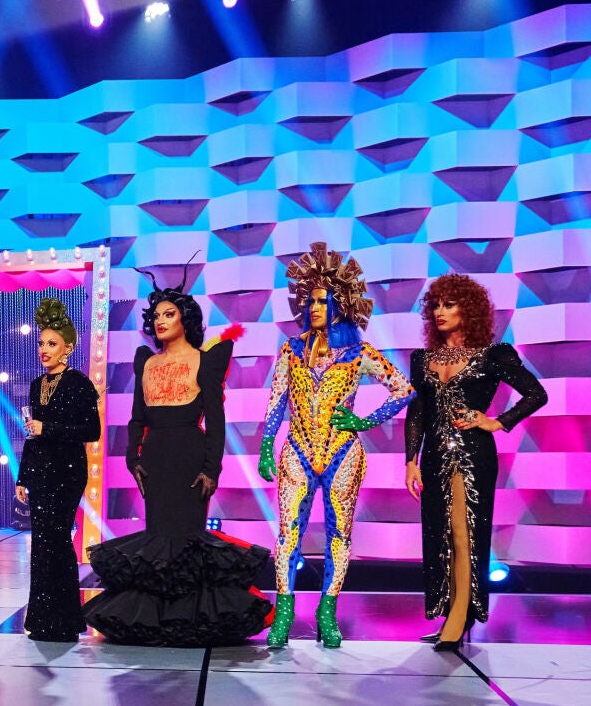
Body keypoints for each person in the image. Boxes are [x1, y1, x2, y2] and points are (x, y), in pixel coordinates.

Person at [83, 271, 272, 647]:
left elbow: (216, 420)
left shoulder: (206, 360)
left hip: (190, 457)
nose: (160, 320)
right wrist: (132, 457)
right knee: (158, 537)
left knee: (187, 540)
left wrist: (212, 469)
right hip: (155, 459)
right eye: (156, 315)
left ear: (186, 319)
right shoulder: (146, 361)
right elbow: (137, 418)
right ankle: (158, 621)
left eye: (168, 314)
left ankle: (190, 619)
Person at [259, 243, 413, 648]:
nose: (313, 308)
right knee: (287, 534)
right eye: (310, 301)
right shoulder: (292, 348)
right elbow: (277, 399)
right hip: (297, 450)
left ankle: (327, 612)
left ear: (340, 306)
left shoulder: (359, 353)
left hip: (343, 454)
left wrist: (365, 421)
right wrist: (265, 445)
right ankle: (284, 612)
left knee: (339, 533)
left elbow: (404, 389)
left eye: (322, 301)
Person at [405, 274, 546, 651]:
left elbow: (536, 393)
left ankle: (459, 616)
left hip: (472, 454)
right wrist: (410, 461)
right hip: (433, 456)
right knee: (441, 535)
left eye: (449, 304)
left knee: (463, 532)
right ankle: (455, 610)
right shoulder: (423, 359)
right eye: (435, 305)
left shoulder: (493, 355)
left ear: (468, 310)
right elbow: (418, 411)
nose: (439, 312)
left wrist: (497, 421)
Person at [15, 300, 100, 642]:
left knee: (58, 541)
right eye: (41, 343)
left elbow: (91, 430)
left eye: (52, 343)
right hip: (40, 471)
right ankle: (42, 621)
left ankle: (65, 623)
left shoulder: (79, 383)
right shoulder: (37, 385)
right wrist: (23, 477)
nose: (44, 349)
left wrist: (47, 428)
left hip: (67, 472)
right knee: (40, 543)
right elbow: (31, 435)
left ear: (68, 347)